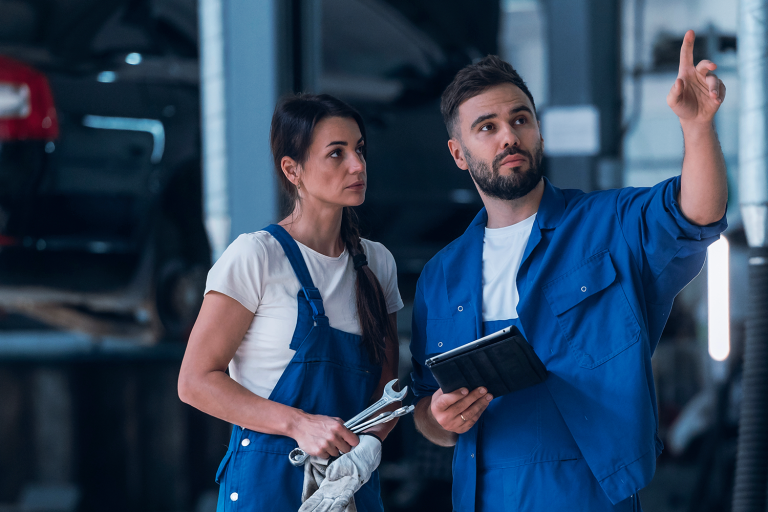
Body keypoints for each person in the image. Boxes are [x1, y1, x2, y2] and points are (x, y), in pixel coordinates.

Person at [409, 30, 727, 511]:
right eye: (487, 127)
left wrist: (697, 127)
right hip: (485, 499)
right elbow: (426, 409)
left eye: (520, 119)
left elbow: (695, 216)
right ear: (459, 153)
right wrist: (438, 418)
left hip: (591, 497)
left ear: (539, 130)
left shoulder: (608, 226)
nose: (509, 135)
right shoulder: (441, 276)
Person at [178, 93, 404, 512]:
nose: (357, 165)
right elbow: (194, 382)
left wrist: (367, 448)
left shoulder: (377, 264)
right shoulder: (256, 256)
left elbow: (386, 390)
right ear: (292, 169)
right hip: (265, 490)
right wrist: (300, 425)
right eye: (336, 153)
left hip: (350, 488)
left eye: (359, 149)